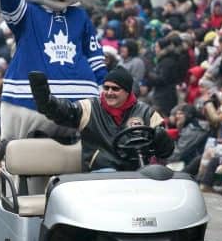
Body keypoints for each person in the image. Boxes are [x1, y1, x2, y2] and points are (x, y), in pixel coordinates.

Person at [28, 67, 173, 171]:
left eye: (115, 89)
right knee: (108, 173)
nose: (109, 93)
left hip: (136, 175)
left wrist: (162, 139)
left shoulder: (147, 113)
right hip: (99, 175)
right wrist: (44, 98)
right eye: (106, 88)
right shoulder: (89, 107)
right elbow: (61, 112)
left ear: (128, 92)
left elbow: (165, 152)